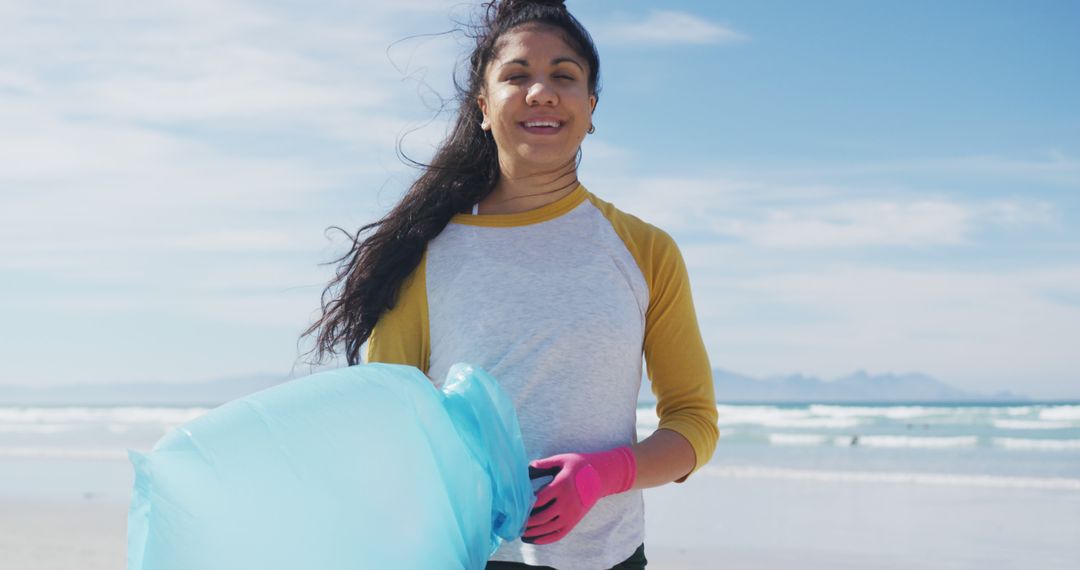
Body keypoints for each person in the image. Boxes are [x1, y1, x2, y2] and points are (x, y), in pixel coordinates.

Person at [299, 1, 718, 568]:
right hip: (467, 556)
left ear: (590, 108)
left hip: (610, 557)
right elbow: (391, 431)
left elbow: (693, 423)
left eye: (564, 76)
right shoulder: (426, 255)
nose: (541, 92)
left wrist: (603, 474)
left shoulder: (646, 251)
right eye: (516, 76)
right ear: (482, 106)